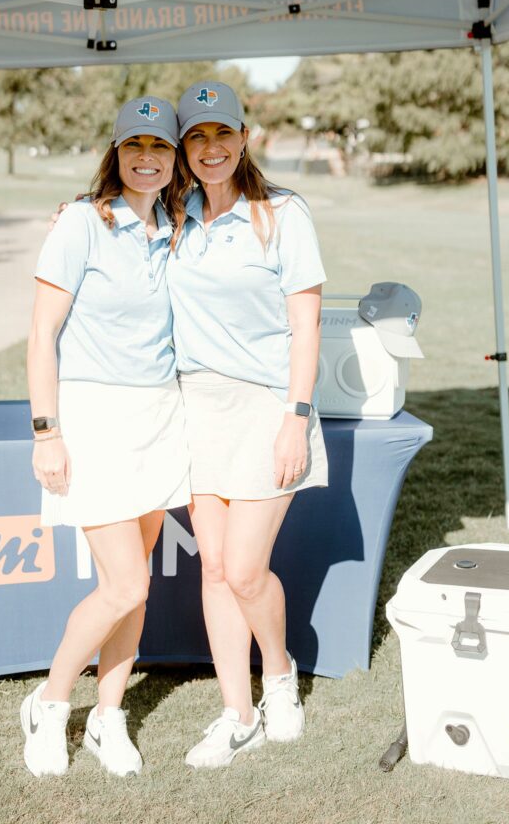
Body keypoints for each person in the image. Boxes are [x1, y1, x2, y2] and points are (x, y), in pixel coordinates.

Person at [21, 96, 190, 780]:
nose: (145, 158)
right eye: (133, 146)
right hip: (93, 420)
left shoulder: (180, 224)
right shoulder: (78, 225)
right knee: (123, 584)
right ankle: (51, 706)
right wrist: (46, 432)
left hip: (161, 417)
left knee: (135, 588)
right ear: (114, 155)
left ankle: (108, 717)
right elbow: (40, 334)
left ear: (174, 160)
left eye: (159, 147)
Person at [167, 80, 329, 768]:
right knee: (212, 573)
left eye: (221, 134)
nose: (210, 149)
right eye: (196, 137)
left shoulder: (282, 215)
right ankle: (237, 715)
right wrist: (76, 208)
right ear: (183, 148)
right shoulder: (171, 216)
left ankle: (280, 673)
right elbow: (107, 211)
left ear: (244, 136)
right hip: (195, 407)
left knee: (242, 568)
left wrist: (294, 418)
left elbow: (306, 323)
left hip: (267, 406)